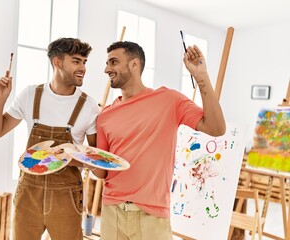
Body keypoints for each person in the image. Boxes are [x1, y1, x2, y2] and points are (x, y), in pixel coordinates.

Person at [96, 41, 226, 240]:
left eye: (113, 62)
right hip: (112, 211)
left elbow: (216, 128)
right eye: (107, 63)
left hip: (153, 215)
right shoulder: (105, 115)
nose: (107, 69)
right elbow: (102, 171)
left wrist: (201, 76)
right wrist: (82, 158)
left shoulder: (169, 100)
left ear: (134, 64)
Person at [0, 37, 102, 240]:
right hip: (29, 194)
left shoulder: (89, 106)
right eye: (76, 61)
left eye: (84, 62)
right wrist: (0, 101)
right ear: (57, 62)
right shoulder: (31, 95)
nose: (83, 67)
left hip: (66, 196)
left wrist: (65, 158)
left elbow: (97, 163)